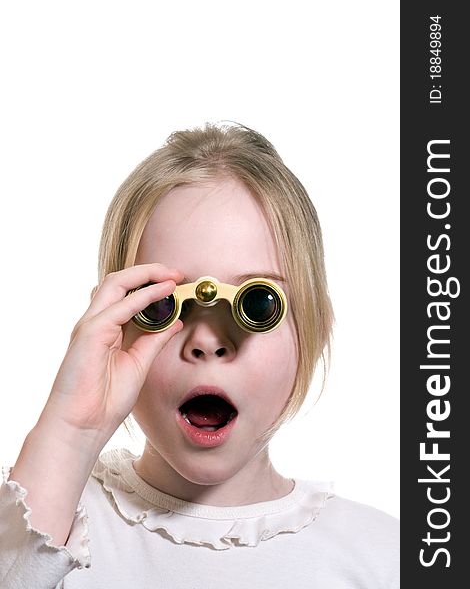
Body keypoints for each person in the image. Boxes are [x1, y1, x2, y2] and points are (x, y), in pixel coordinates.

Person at [0, 122, 399, 588]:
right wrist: (72, 430)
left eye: (256, 305)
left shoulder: (382, 558)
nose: (207, 340)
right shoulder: (44, 524)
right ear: (114, 325)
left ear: (313, 328)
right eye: (162, 304)